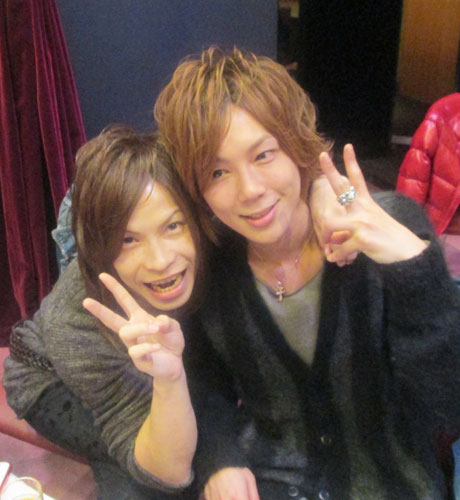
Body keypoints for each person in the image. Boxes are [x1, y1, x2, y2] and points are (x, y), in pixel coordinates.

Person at [154, 46, 460, 500]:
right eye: (217, 172)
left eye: (263, 154)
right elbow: (204, 385)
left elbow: (447, 405)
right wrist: (220, 457)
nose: (250, 190)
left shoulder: (386, 228)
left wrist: (415, 270)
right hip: (274, 482)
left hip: (395, 481)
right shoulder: (210, 268)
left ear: (296, 145)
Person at [3, 125, 216, 500]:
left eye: (172, 225)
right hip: (49, 378)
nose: (160, 261)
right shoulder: (75, 325)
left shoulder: (211, 236)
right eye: (127, 240)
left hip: (142, 359)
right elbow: (168, 471)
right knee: (146, 476)